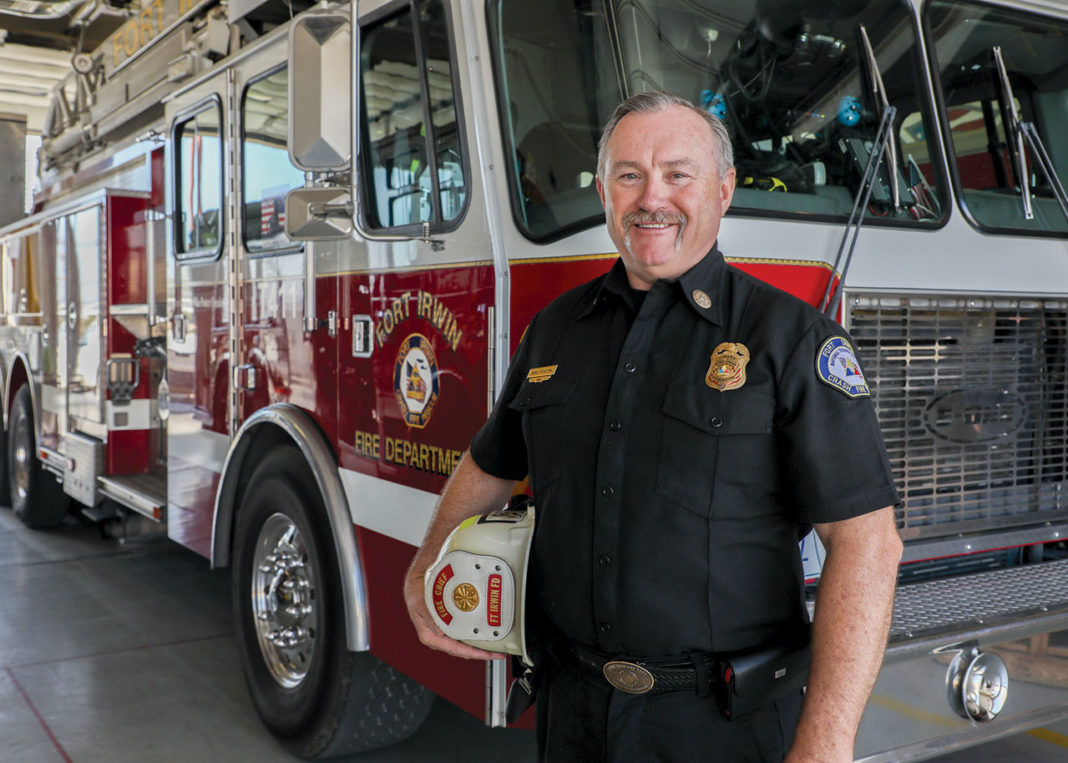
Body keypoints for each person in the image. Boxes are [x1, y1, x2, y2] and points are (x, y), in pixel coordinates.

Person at [405, 90, 903, 762]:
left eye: (678, 173)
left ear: (723, 190)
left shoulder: (789, 338)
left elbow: (867, 544)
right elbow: (492, 464)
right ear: (606, 191)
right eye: (629, 174)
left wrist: (826, 738)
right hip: (573, 711)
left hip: (725, 725)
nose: (651, 197)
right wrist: (425, 566)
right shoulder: (554, 330)